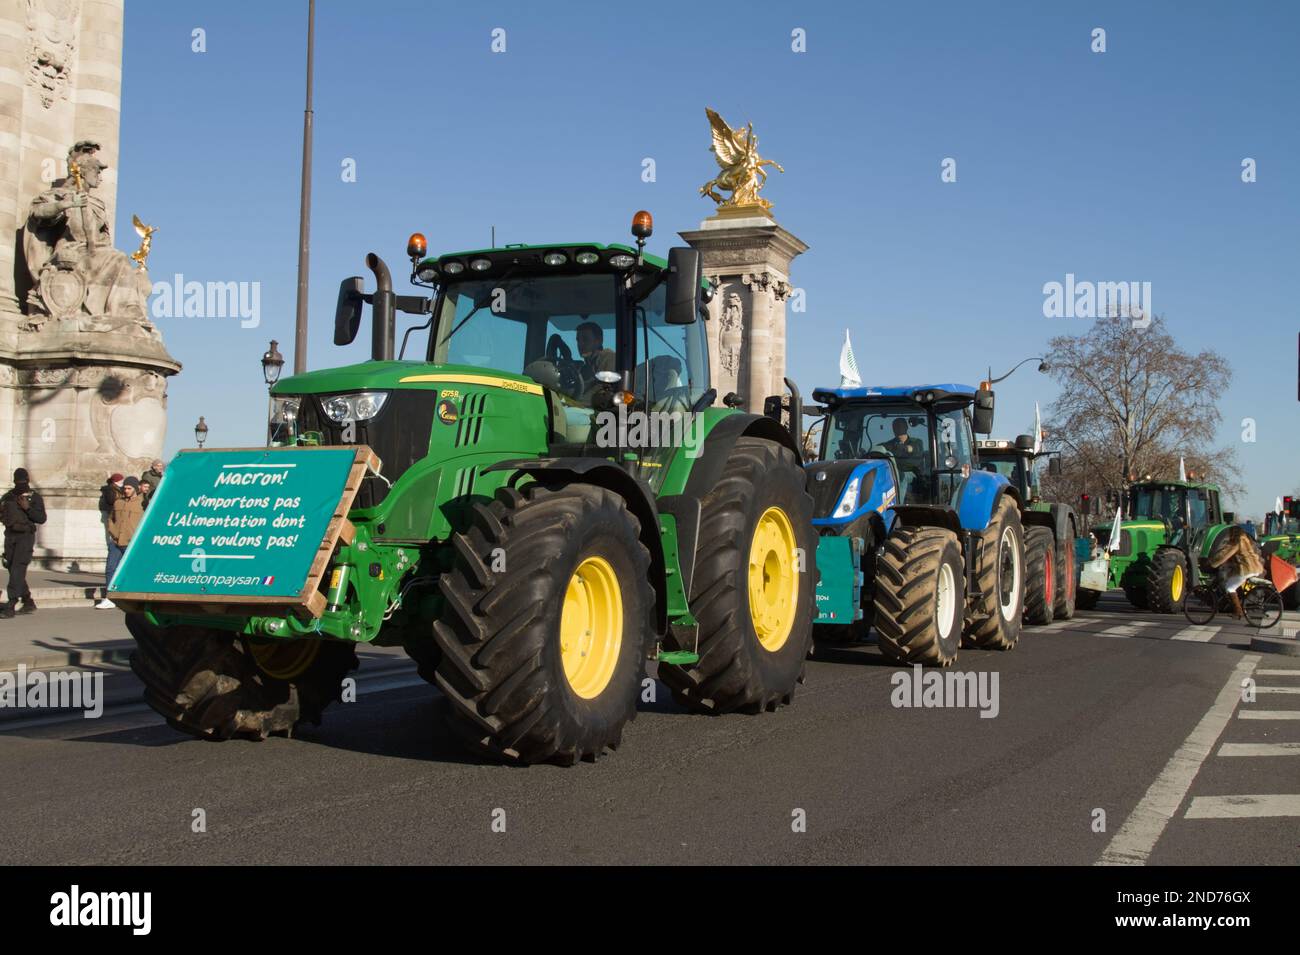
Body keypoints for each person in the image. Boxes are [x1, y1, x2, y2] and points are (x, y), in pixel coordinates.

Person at [1, 468, 47, 618]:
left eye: (23, 481)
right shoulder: (8, 497)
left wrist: (28, 509)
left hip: (25, 538)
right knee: (13, 569)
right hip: (10, 536)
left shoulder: (33, 497)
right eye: (18, 481)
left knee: (17, 569)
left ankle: (11, 603)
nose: (21, 484)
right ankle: (28, 601)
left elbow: (41, 518)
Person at [98, 477, 144, 610]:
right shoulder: (118, 502)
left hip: (132, 542)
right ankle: (110, 597)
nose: (126, 490)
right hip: (117, 541)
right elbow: (111, 519)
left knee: (131, 570)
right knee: (110, 568)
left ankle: (131, 594)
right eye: (125, 488)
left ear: (135, 489)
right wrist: (113, 532)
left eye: (129, 488)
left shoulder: (142, 504)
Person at [1208, 525, 1266, 619]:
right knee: (1232, 580)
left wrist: (1214, 564)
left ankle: (1238, 611)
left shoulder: (1237, 543)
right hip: (1255, 567)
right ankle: (1240, 605)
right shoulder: (1246, 540)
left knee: (1230, 587)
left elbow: (1225, 555)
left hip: (1247, 569)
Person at [575, 321, 616, 396]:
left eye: (585, 339)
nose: (580, 344)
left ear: (599, 341)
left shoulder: (609, 359)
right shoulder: (584, 367)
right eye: (578, 340)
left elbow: (605, 393)